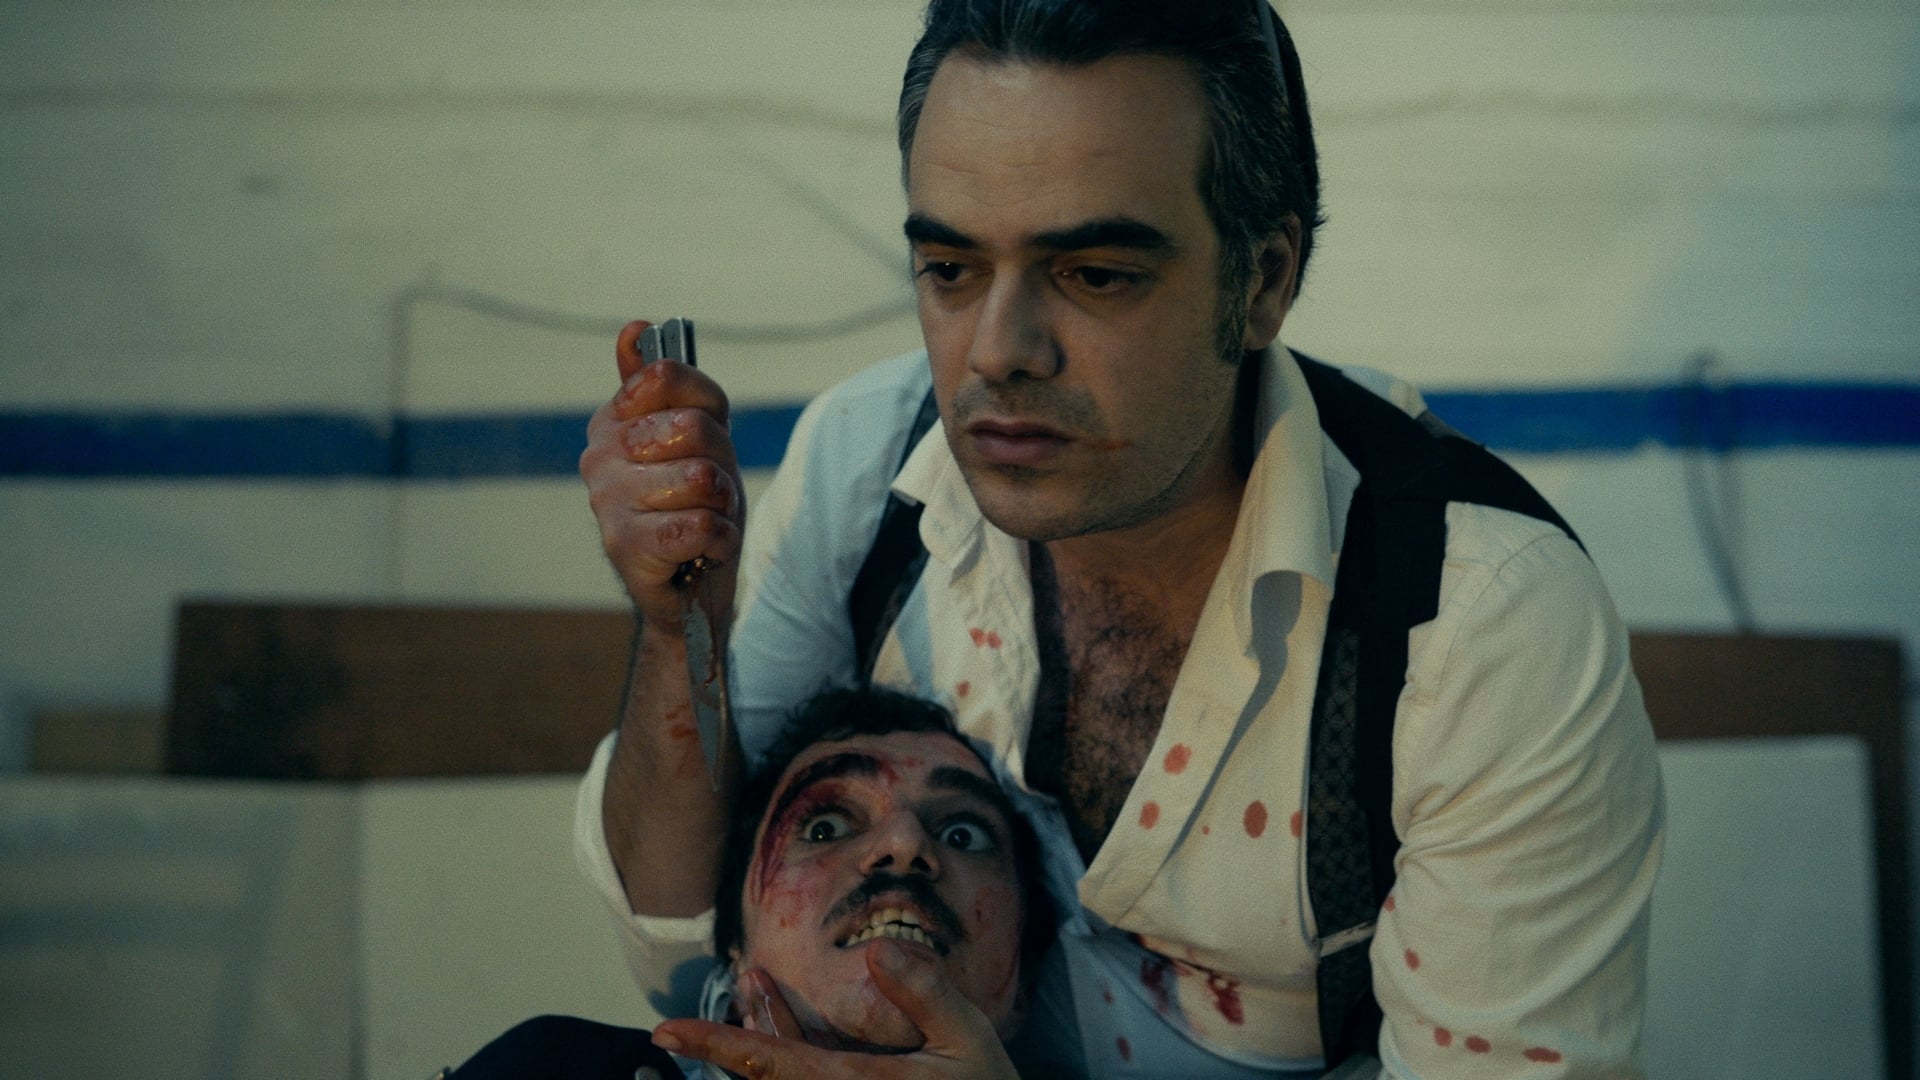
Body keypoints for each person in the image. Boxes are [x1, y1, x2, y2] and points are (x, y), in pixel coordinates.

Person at [574, 1, 1663, 1077]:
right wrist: (679, 631)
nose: (997, 351)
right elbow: (680, 936)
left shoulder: (1469, 626)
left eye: (1095, 274)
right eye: (950, 269)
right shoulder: (868, 466)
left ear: (1263, 281)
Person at [447, 686, 1051, 1079]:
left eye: (964, 834)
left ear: (1024, 983)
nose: (904, 843)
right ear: (735, 947)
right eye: (824, 827)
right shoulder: (554, 1068)